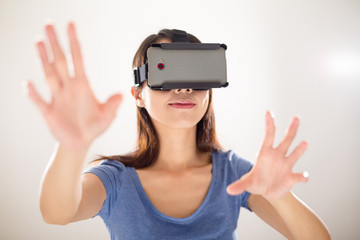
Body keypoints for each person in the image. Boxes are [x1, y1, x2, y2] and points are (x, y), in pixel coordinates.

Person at [26, 22, 331, 240]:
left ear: (210, 91)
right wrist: (72, 147)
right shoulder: (115, 179)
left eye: (196, 74)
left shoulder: (235, 174)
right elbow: (56, 213)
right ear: (138, 94)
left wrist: (281, 196)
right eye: (166, 73)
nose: (185, 87)